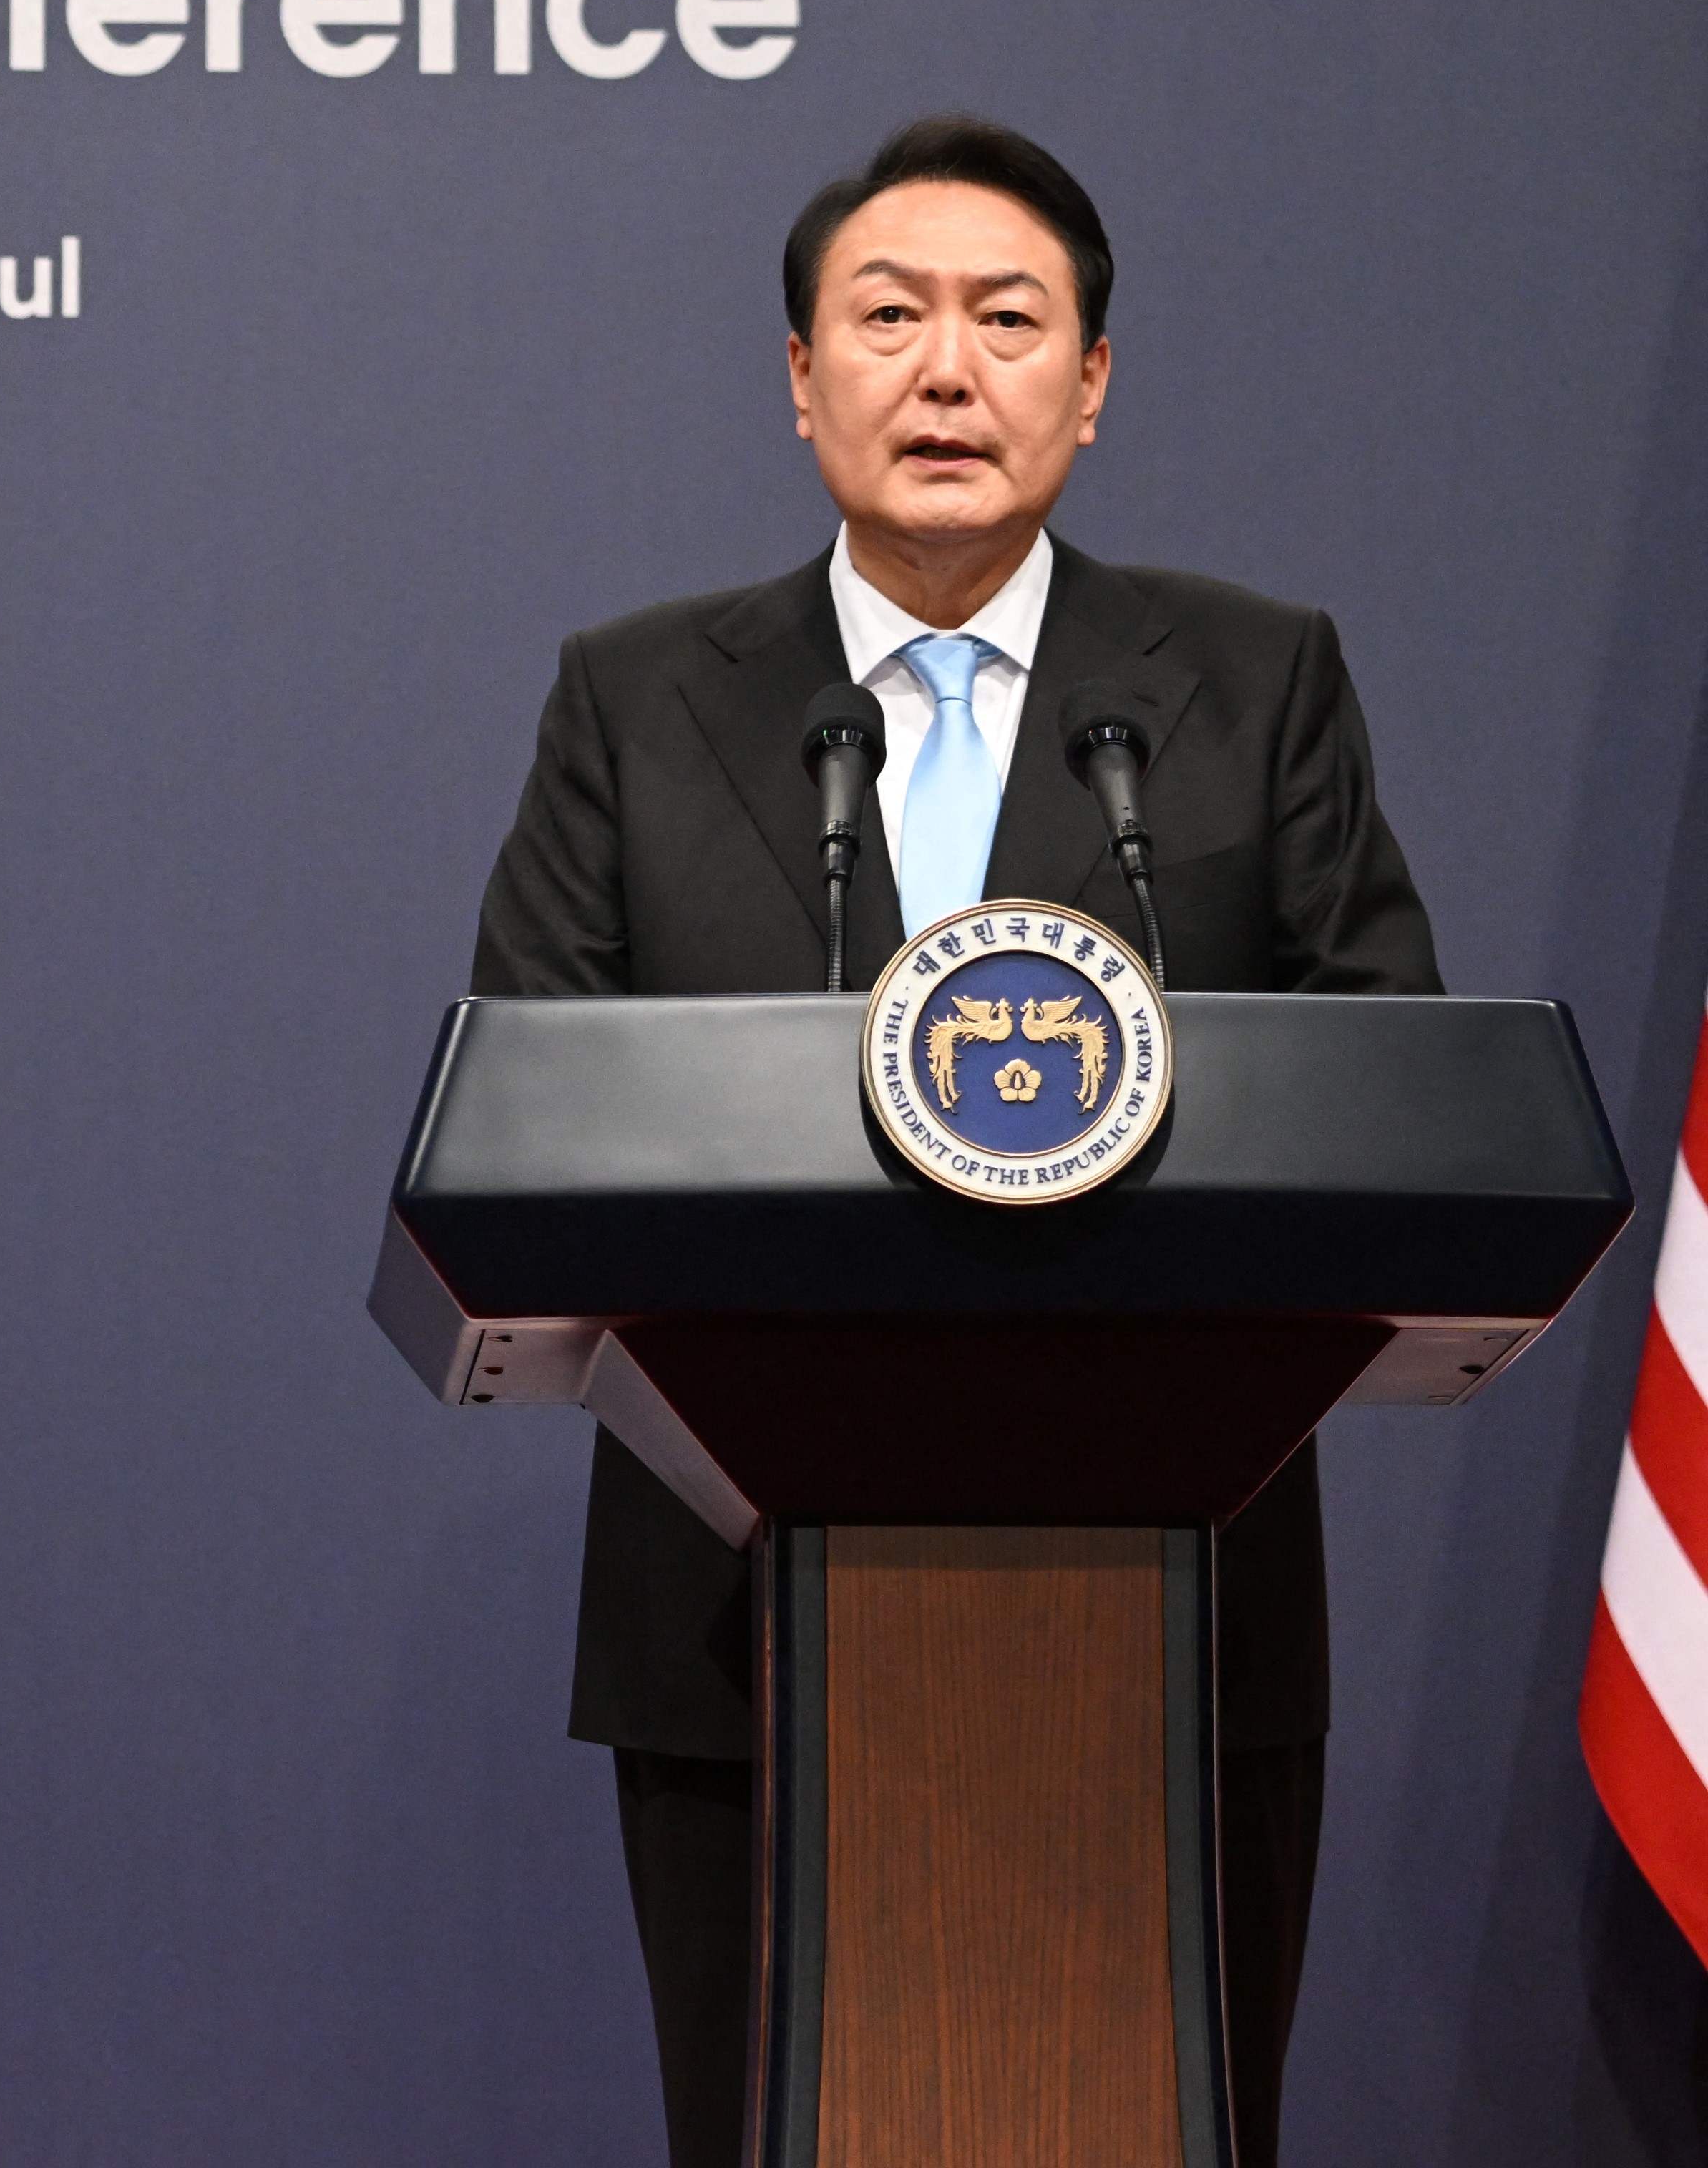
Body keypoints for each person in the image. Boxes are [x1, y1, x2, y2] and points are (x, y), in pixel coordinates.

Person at [469, 113, 1435, 2168]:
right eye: (886, 316)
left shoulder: (1248, 684)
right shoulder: (639, 699)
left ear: (1091, 387)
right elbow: (530, 1097)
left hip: (1187, 1602)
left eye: (1011, 319)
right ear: (798, 376)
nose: (946, 368)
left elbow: (1392, 1082)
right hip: (740, 1625)